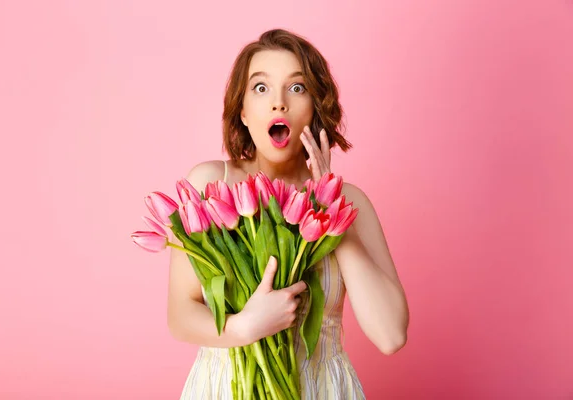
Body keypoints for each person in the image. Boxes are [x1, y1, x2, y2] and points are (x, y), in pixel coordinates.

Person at [167, 28, 409, 399]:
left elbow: (390, 335)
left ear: (314, 108)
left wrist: (329, 210)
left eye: (297, 88)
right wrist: (245, 328)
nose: (279, 103)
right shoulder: (210, 185)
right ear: (243, 111)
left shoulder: (351, 203)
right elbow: (180, 316)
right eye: (261, 88)